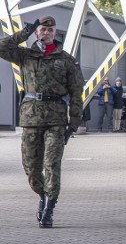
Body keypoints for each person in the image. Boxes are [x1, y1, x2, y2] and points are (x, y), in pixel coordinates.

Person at [0, 15, 83, 228]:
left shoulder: (65, 59)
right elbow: (1, 46)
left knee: (51, 165)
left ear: (56, 33)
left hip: (56, 120)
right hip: (30, 119)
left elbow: (76, 92)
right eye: (42, 30)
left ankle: (49, 209)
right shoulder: (25, 55)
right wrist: (25, 32)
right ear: (38, 32)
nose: (46, 33)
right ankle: (44, 195)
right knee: (31, 168)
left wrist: (73, 122)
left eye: (50, 30)